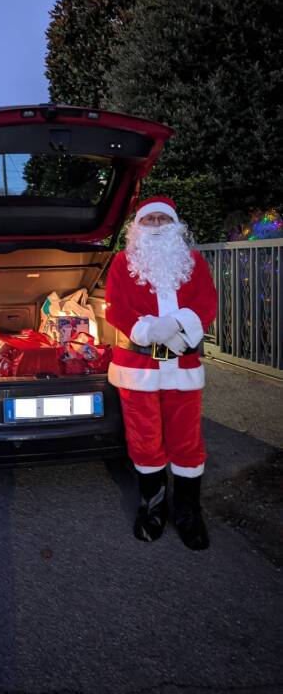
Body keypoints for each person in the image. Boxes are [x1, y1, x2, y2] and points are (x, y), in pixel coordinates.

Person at [105, 196, 217, 550]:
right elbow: (115, 308)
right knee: (144, 440)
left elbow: (207, 303)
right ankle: (152, 510)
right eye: (148, 220)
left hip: (183, 367)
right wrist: (152, 330)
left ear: (174, 226)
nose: (155, 225)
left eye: (161, 220)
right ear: (136, 228)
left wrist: (178, 327)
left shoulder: (194, 262)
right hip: (138, 369)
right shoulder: (123, 263)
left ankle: (187, 513)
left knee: (187, 441)